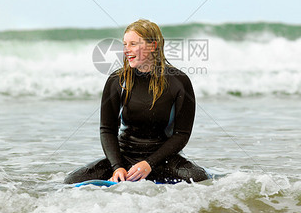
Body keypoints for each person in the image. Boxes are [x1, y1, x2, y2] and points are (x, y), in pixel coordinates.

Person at [65, 19, 208, 184]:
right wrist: (117, 166)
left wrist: (149, 164)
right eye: (125, 44)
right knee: (72, 180)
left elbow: (181, 135)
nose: (126, 50)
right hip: (125, 157)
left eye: (133, 44)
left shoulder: (178, 81)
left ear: (153, 46)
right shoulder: (117, 80)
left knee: (200, 178)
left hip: (163, 160)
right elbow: (107, 130)